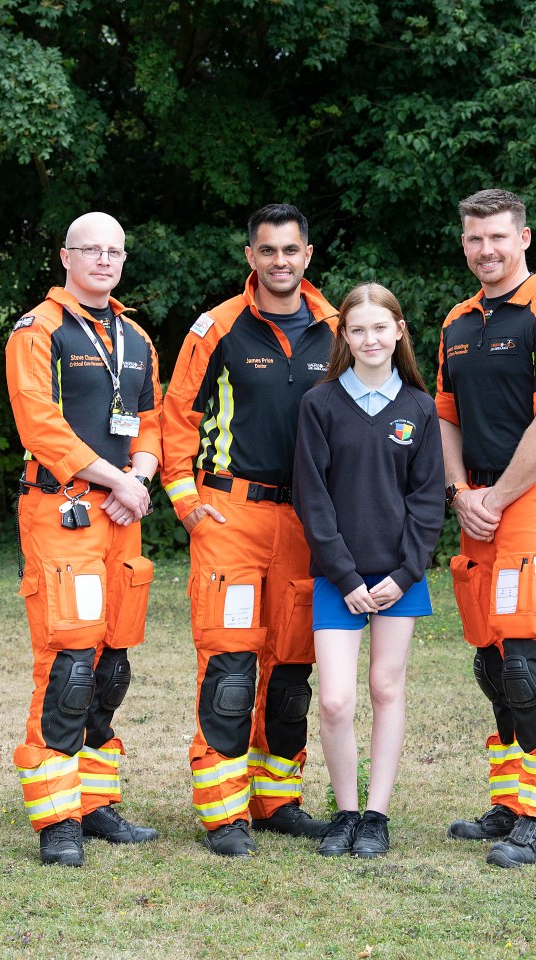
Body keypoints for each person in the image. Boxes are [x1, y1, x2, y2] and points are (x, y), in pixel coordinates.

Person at [161, 204, 338, 856]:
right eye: (268, 251)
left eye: (291, 250)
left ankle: (277, 801)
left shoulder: (337, 329)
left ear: (307, 255)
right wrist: (184, 500)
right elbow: (176, 414)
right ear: (250, 257)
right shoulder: (218, 328)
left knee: (291, 671)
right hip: (230, 516)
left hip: (306, 523)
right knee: (232, 669)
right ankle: (225, 814)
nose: (281, 261)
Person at [436, 189, 536, 867]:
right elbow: (446, 415)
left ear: (524, 237)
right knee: (494, 661)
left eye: (498, 237)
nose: (486, 250)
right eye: (475, 239)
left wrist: (495, 496)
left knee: (529, 658)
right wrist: (458, 492)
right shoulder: (458, 320)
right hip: (480, 508)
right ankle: (508, 801)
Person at [5, 211, 162, 867]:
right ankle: (57, 819)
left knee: (111, 665)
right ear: (65, 258)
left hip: (121, 516)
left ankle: (96, 805)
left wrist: (142, 476)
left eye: (114, 250)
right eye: (90, 249)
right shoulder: (36, 329)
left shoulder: (135, 336)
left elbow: (152, 421)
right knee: (70, 664)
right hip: (61, 509)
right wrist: (115, 481)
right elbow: (39, 425)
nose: (103, 260)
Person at [293, 283, 445, 858]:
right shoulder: (321, 404)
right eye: (358, 330)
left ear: (399, 331)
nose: (370, 338)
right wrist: (348, 577)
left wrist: (404, 575)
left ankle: (376, 815)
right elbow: (314, 499)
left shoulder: (419, 408)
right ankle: (345, 811)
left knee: (385, 687)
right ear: (344, 338)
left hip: (398, 577)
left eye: (381, 327)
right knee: (334, 699)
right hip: (340, 578)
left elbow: (427, 502)